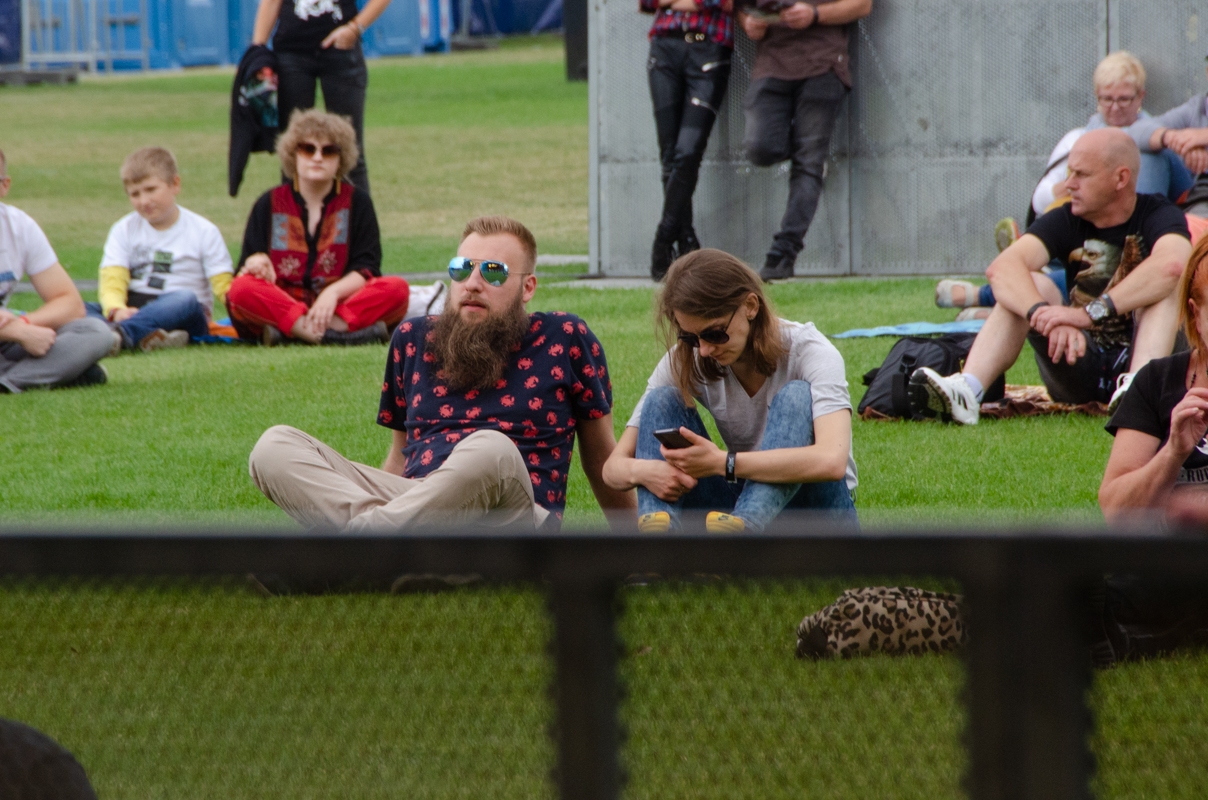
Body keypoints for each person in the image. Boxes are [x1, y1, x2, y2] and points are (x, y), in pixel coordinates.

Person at [248, 215, 636, 531]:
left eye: (494, 273)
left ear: (528, 287)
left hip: (512, 519)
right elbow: (399, 458)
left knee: (490, 448)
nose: (473, 283)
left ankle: (357, 547)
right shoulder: (412, 339)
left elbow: (601, 456)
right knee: (274, 446)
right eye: (462, 268)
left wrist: (637, 544)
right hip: (419, 508)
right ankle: (385, 548)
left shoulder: (565, 337)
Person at [911, 129, 1192, 425]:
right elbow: (1002, 268)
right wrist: (1043, 314)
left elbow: (1172, 265)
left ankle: (1139, 393)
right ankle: (968, 390)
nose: (1068, 185)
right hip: (1077, 359)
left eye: (1081, 175)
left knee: (1166, 287)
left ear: (1120, 179)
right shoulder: (1066, 217)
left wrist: (1086, 315)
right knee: (1027, 283)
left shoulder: (1158, 213)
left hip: (1154, 367)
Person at [601, 248, 857, 533]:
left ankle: (739, 540)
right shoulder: (689, 356)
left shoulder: (810, 351)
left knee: (797, 396)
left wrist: (724, 463)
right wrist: (645, 471)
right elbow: (612, 468)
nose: (705, 349)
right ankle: (659, 547)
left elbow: (831, 461)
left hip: (820, 520)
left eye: (714, 333)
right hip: (736, 511)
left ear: (750, 306)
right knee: (661, 401)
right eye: (691, 337)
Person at [937, 52, 1195, 316]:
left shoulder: (1157, 145)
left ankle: (984, 298)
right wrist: (1077, 181)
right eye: (1107, 99)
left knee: (1107, 271)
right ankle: (1007, 302)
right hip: (1081, 240)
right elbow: (1040, 201)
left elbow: (1180, 213)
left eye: (1123, 99)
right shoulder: (1077, 142)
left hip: (1136, 245)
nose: (1115, 107)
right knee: (1039, 274)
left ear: (1141, 97)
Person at [227, 110, 409, 346]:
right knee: (241, 289)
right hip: (284, 302)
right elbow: (246, 266)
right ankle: (334, 335)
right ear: (294, 154)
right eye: (308, 149)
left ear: (341, 158)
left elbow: (367, 268)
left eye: (328, 150)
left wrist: (331, 294)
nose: (317, 157)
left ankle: (294, 334)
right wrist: (257, 263)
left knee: (397, 289)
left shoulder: (358, 202)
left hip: (338, 304)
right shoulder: (268, 203)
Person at [738, 0, 873, 282]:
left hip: (823, 64)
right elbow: (739, 7)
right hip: (771, 66)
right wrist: (748, 22)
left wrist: (815, 14)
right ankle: (808, 160)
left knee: (808, 163)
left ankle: (783, 254)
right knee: (760, 148)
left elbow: (862, 5)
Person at [1100, 235, 1208, 519]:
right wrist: (1172, 453)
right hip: (1170, 562)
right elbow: (1114, 510)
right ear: (1196, 315)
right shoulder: (1156, 380)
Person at [87, 147, 233, 352]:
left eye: (151, 190)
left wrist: (245, 314)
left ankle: (120, 336)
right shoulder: (124, 229)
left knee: (185, 298)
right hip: (134, 307)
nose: (144, 201)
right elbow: (113, 278)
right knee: (77, 308)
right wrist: (116, 309)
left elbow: (223, 285)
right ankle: (149, 336)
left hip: (182, 311)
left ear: (175, 184)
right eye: (135, 194)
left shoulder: (203, 231)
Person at [0, 148, 114, 393]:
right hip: (7, 332)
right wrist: (17, 331)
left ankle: (10, 382)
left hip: (6, 341)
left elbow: (70, 303)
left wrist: (26, 323)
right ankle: (56, 373)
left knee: (96, 331)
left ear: (4, 186)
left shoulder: (20, 227)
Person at [250, 0, 391, 195]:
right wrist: (257, 53)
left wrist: (355, 28)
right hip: (291, 52)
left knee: (349, 151)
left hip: (342, 50)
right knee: (293, 152)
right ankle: (293, 223)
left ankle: (357, 223)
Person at [641, 0, 732, 280]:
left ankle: (664, 239)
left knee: (688, 151)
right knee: (670, 154)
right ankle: (687, 241)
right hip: (664, 48)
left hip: (709, 47)